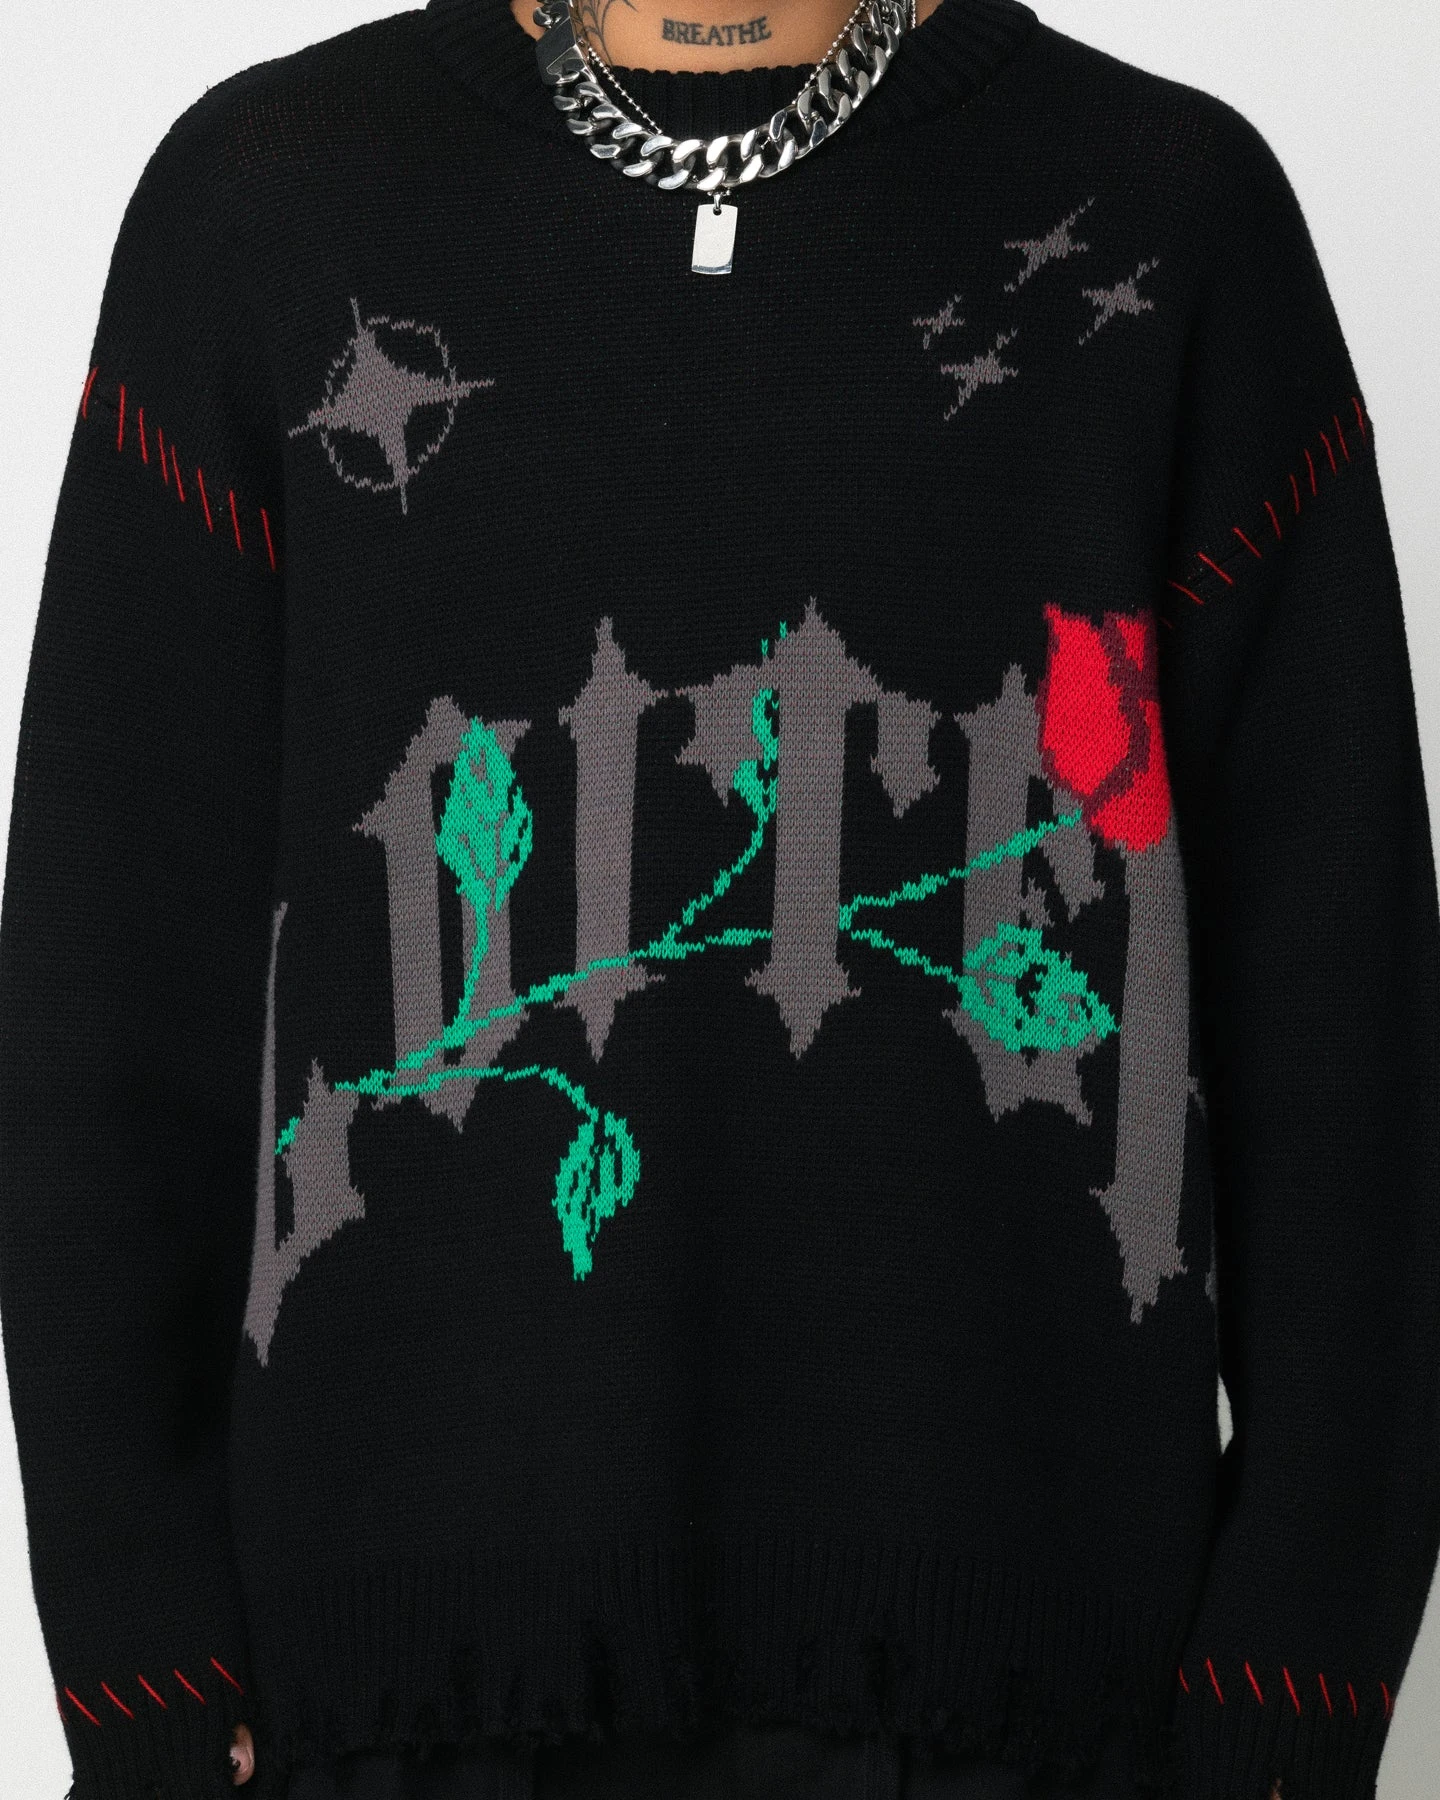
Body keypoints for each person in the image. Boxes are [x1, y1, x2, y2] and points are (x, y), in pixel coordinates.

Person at [2, 0, 1437, 1795]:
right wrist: (139, 1653)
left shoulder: (1168, 216)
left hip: (1027, 1700)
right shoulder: (268, 205)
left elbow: (1346, 1026)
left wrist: (1297, 1679)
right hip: (384, 1704)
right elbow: (111, 978)